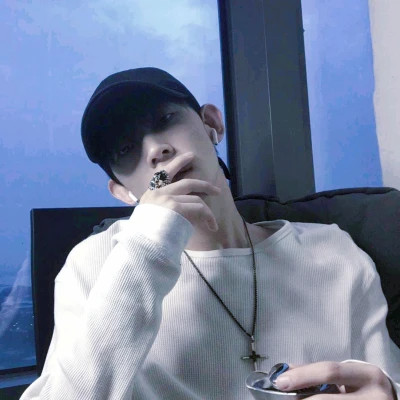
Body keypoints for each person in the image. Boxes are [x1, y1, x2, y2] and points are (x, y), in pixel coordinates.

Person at [21, 67, 399, 399]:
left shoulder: (331, 249)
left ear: (212, 124)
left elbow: (382, 380)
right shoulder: (94, 262)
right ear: (121, 192)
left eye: (165, 119)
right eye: (125, 149)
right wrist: (146, 245)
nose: (156, 150)